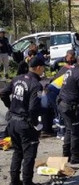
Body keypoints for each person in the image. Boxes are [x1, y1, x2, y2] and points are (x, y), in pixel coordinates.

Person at [0, 57, 45, 185]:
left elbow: (3, 94)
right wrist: (37, 125)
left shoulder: (17, 79)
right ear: (38, 68)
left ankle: (14, 181)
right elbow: (33, 108)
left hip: (13, 122)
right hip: (25, 123)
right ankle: (27, 182)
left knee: (18, 152)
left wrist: (11, 107)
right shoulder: (36, 85)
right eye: (43, 67)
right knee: (29, 155)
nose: (43, 70)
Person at [47, 50, 77, 140]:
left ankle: (60, 131)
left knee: (59, 113)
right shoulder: (66, 68)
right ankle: (61, 133)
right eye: (69, 57)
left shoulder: (68, 67)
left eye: (72, 58)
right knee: (60, 113)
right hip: (54, 92)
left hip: (54, 90)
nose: (70, 59)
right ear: (66, 56)